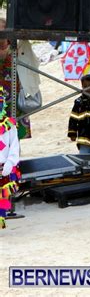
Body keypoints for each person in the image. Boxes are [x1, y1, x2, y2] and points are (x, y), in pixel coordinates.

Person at [0, 18, 32, 140]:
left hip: (14, 101)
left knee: (13, 139)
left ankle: (11, 157)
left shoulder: (17, 49)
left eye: (3, 30)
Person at [68, 74, 90, 154]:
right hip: (83, 137)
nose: (87, 88)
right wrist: (72, 133)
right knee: (83, 157)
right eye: (85, 86)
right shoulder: (78, 102)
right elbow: (73, 118)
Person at [0, 88, 20, 229]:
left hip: (3, 166)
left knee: (2, 197)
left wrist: (10, 162)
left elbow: (14, 146)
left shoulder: (9, 125)